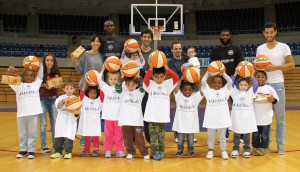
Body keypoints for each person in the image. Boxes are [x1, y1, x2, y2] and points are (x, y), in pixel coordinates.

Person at [256, 22, 295, 154]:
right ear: (264, 33)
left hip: (278, 85)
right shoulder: (260, 48)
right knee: (265, 117)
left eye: (271, 32)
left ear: (276, 32)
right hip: (264, 86)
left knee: (280, 118)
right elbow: (257, 67)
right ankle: (266, 145)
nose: (269, 35)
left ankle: (280, 146)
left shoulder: (284, 47)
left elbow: (292, 65)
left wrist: (276, 67)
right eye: (266, 33)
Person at [210, 29, 244, 142]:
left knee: (238, 108)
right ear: (220, 36)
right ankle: (224, 133)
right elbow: (212, 67)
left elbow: (240, 66)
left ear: (230, 36)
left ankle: (241, 134)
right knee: (222, 109)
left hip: (234, 84)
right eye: (223, 35)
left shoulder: (236, 49)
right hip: (221, 85)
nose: (225, 36)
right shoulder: (215, 50)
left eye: (227, 35)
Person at [71, 34, 104, 146]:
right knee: (84, 113)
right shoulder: (85, 55)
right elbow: (80, 69)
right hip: (85, 87)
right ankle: (84, 137)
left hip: (97, 88)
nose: (95, 43)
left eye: (97, 41)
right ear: (90, 43)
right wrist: (75, 61)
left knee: (95, 114)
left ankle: (94, 136)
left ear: (100, 44)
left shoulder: (102, 56)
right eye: (93, 41)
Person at [143, 61, 179, 160]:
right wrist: (150, 69)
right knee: (153, 137)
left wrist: (167, 68)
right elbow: (145, 80)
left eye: (161, 77)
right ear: (153, 76)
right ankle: (155, 152)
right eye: (156, 77)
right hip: (152, 116)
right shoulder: (150, 84)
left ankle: (161, 151)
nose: (159, 79)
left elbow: (176, 78)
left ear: (164, 76)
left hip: (162, 117)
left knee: (161, 136)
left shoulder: (167, 85)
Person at [8, 63, 43, 159]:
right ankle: (23, 150)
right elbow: (9, 80)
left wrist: (40, 64)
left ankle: (31, 151)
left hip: (33, 113)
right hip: (21, 113)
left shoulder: (36, 84)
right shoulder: (18, 85)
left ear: (34, 77)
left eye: (31, 76)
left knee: (32, 132)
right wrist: (10, 70)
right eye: (27, 75)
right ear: (23, 76)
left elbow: (40, 75)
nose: (29, 77)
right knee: (22, 133)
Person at [115, 72, 150, 160]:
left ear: (137, 84)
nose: (130, 87)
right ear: (125, 85)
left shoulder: (139, 92)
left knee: (139, 139)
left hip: (136, 121)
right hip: (125, 121)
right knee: (127, 139)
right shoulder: (123, 93)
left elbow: (144, 85)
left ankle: (144, 152)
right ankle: (130, 152)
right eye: (128, 85)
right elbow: (117, 88)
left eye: (133, 85)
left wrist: (138, 76)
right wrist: (122, 78)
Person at [201, 71, 232, 160]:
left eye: (219, 83)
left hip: (222, 119)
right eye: (214, 82)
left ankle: (223, 151)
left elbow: (230, 81)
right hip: (211, 119)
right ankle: (210, 150)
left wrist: (223, 73)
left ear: (222, 84)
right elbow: (203, 81)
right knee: (211, 137)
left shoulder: (225, 91)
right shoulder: (208, 91)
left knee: (222, 137)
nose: (216, 84)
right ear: (211, 83)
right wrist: (208, 72)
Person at [97, 65, 125, 158]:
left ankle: (119, 150)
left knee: (119, 135)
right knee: (108, 135)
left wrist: (122, 74)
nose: (113, 80)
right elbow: (98, 80)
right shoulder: (106, 88)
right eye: (111, 79)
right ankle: (108, 150)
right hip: (108, 116)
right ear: (108, 80)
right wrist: (102, 70)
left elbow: (123, 82)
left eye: (115, 79)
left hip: (118, 117)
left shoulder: (121, 89)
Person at [230, 71, 258, 159]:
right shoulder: (235, 93)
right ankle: (235, 149)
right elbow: (230, 84)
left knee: (246, 136)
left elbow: (256, 85)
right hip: (237, 119)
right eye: (241, 84)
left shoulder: (250, 93)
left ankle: (247, 150)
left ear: (248, 86)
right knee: (236, 136)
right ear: (238, 85)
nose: (243, 86)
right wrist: (234, 74)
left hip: (247, 119)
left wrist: (252, 76)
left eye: (245, 85)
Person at [172, 79, 203, 157]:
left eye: (189, 90)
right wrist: (181, 78)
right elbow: (176, 88)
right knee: (180, 140)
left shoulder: (195, 97)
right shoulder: (179, 96)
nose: (187, 91)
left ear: (193, 90)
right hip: (181, 124)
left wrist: (199, 84)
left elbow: (202, 92)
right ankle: (180, 151)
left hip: (191, 125)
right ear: (181, 90)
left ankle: (191, 151)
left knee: (191, 140)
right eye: (185, 90)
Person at [167, 42, 189, 143]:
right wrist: (184, 75)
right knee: (179, 112)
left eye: (179, 48)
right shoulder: (170, 63)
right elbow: (175, 77)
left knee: (189, 112)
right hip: (178, 88)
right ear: (172, 50)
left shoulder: (186, 60)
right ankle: (177, 134)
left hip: (189, 88)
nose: (178, 50)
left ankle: (189, 134)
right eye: (176, 49)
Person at [252, 70, 279, 156]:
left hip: (266, 117)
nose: (260, 78)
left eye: (262, 77)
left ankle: (263, 148)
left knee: (264, 135)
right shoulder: (252, 88)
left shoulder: (269, 89)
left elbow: (276, 99)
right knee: (255, 135)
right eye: (258, 77)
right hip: (254, 117)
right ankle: (255, 148)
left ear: (266, 79)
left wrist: (272, 100)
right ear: (254, 78)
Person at [50, 81, 79, 159]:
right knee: (58, 137)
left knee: (68, 137)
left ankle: (68, 152)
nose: (69, 90)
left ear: (74, 89)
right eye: (67, 88)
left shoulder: (76, 99)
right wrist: (63, 101)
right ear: (63, 89)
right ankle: (58, 152)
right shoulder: (61, 98)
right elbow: (58, 107)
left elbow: (78, 113)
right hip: (61, 121)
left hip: (70, 122)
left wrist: (76, 112)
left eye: (71, 88)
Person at [39, 53, 61, 153]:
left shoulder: (56, 72)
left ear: (54, 61)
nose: (49, 62)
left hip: (53, 99)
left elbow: (60, 85)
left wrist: (57, 86)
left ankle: (55, 143)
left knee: (55, 123)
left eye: (51, 60)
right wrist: (45, 85)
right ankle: (43, 145)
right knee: (43, 124)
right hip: (42, 99)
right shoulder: (40, 73)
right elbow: (36, 84)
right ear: (44, 61)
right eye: (47, 60)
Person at [77, 84, 103, 157]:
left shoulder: (98, 101)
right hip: (86, 122)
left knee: (95, 137)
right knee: (87, 137)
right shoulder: (85, 100)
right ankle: (86, 150)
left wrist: (100, 86)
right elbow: (81, 93)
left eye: (94, 93)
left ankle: (96, 150)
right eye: (91, 92)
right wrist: (85, 84)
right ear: (87, 92)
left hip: (95, 123)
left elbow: (102, 95)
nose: (92, 94)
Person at [140, 29, 154, 144]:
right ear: (141, 37)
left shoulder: (154, 54)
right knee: (135, 113)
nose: (146, 39)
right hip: (135, 88)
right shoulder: (134, 51)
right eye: (144, 36)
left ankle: (149, 138)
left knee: (147, 114)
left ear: (151, 39)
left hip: (149, 89)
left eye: (148, 37)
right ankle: (135, 138)